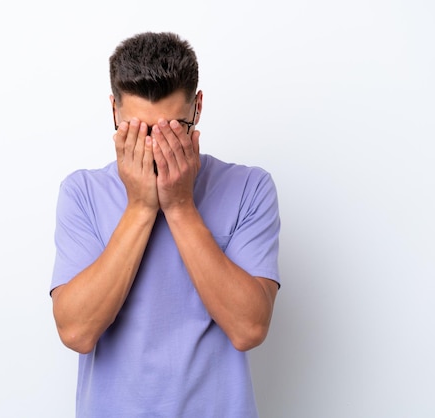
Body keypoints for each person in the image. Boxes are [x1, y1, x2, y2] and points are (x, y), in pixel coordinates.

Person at [50, 31, 281, 418]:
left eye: (173, 130)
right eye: (139, 132)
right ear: (114, 113)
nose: (157, 148)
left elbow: (249, 329)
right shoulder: (83, 192)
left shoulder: (249, 188)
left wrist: (179, 205)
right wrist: (141, 207)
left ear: (198, 108)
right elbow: (76, 331)